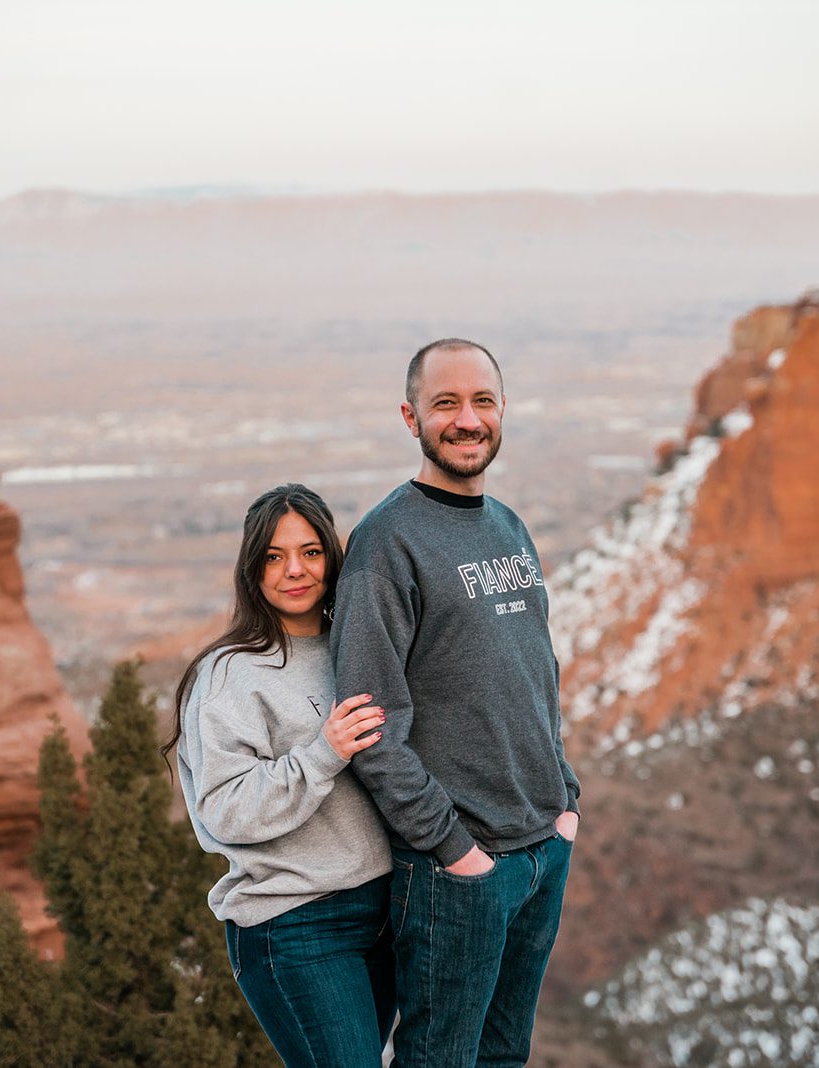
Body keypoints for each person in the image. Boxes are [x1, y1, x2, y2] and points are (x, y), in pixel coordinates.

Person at [331, 338, 581, 1067]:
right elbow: (370, 722)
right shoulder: (388, 544)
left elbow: (538, 671)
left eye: (481, 401)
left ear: (503, 412)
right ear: (411, 418)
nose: (466, 419)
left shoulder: (508, 525)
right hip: (458, 873)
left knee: (505, 1056)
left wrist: (564, 802)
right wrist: (453, 850)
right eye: (446, 403)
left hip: (542, 849)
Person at [167, 483, 396, 1068]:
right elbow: (225, 811)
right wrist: (323, 753)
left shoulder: (359, 647)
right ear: (252, 570)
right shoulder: (229, 675)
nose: (294, 570)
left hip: (387, 912)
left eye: (311, 551)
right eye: (273, 556)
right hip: (295, 924)